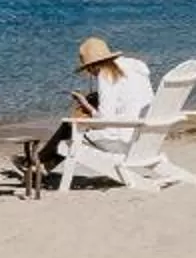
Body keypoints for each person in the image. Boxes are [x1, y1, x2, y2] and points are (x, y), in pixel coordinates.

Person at [39, 36, 152, 176]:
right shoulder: (136, 68)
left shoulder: (106, 74)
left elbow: (104, 120)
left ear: (93, 65)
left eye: (87, 69)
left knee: (70, 126)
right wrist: (88, 105)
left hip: (123, 138)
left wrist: (87, 109)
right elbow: (128, 101)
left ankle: (37, 161)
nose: (90, 73)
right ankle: (43, 165)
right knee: (75, 126)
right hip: (145, 136)